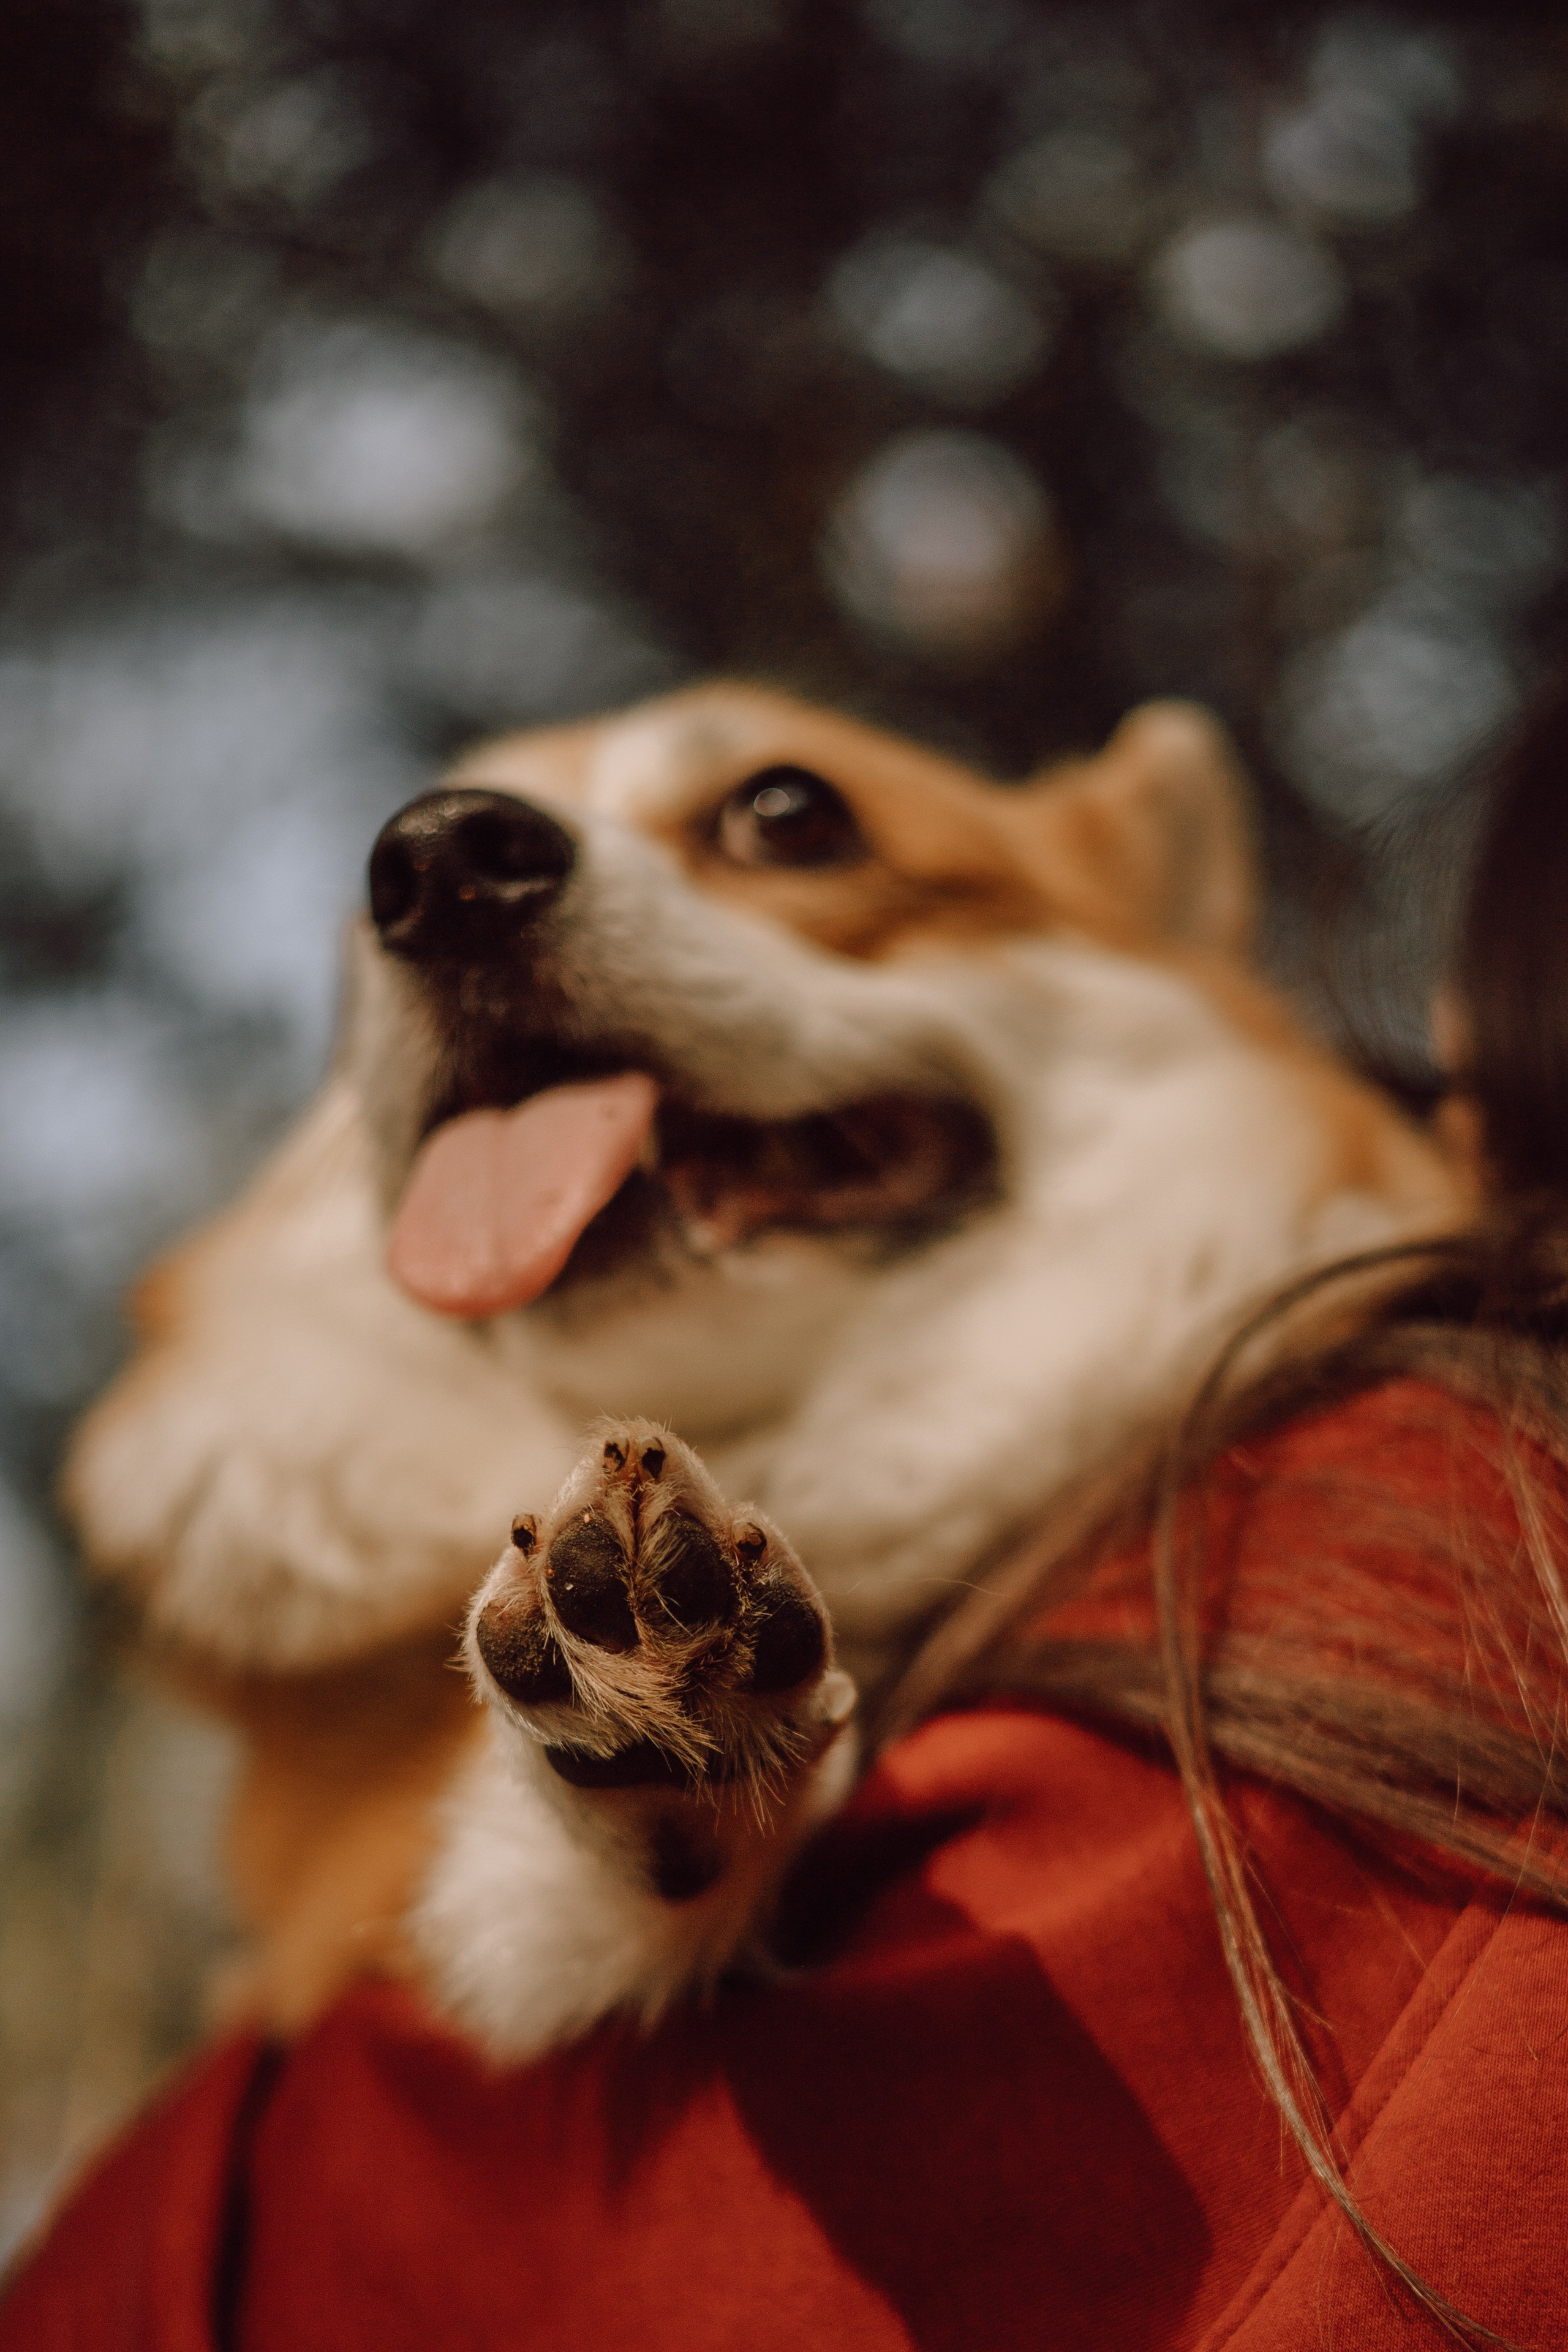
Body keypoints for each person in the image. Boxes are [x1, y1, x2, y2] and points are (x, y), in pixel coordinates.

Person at [6, 684, 1568, 2351]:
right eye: (397, 895)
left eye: (780, 826)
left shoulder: (1425, 1580)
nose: (449, 875)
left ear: (1159, 921)